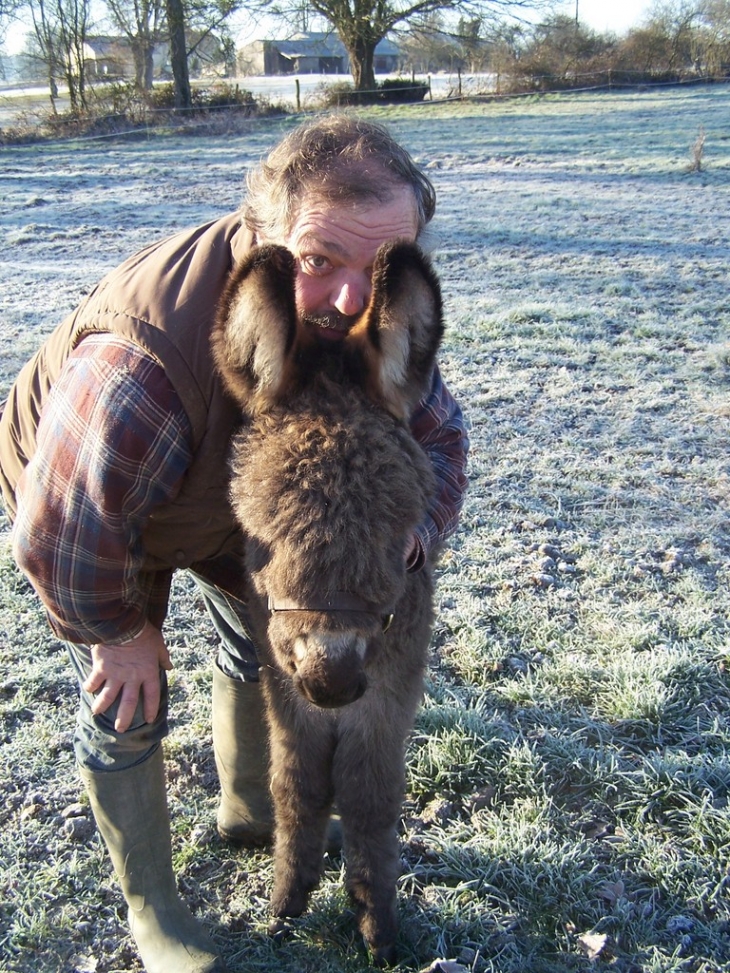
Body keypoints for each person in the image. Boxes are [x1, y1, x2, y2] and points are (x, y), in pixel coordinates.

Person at [0, 115, 469, 973]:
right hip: (102, 501)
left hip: (246, 495)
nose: (351, 301)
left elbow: (439, 441)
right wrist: (120, 631)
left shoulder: (367, 326)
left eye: (379, 267)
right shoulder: (138, 370)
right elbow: (59, 532)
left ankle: (255, 805)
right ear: (259, 237)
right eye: (321, 260)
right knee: (125, 692)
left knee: (259, 637)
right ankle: (155, 911)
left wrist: (413, 529)